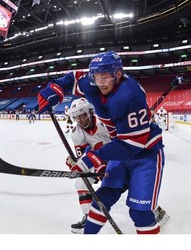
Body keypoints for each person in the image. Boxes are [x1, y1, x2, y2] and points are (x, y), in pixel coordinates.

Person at [38, 51, 165, 234]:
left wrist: (93, 159)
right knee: (100, 201)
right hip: (118, 151)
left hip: (145, 154)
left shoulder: (129, 96)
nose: (100, 82)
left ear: (118, 74)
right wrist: (55, 88)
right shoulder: (92, 85)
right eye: (96, 77)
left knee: (139, 213)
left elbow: (132, 145)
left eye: (104, 77)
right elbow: (74, 78)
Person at [67, 97, 169, 234]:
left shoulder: (104, 122)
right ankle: (88, 216)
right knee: (81, 184)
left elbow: (122, 143)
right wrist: (77, 162)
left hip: (118, 156)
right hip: (98, 161)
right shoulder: (76, 134)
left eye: (83, 115)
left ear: (90, 112)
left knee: (137, 187)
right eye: (77, 117)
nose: (81, 120)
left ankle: (155, 209)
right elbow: (84, 153)